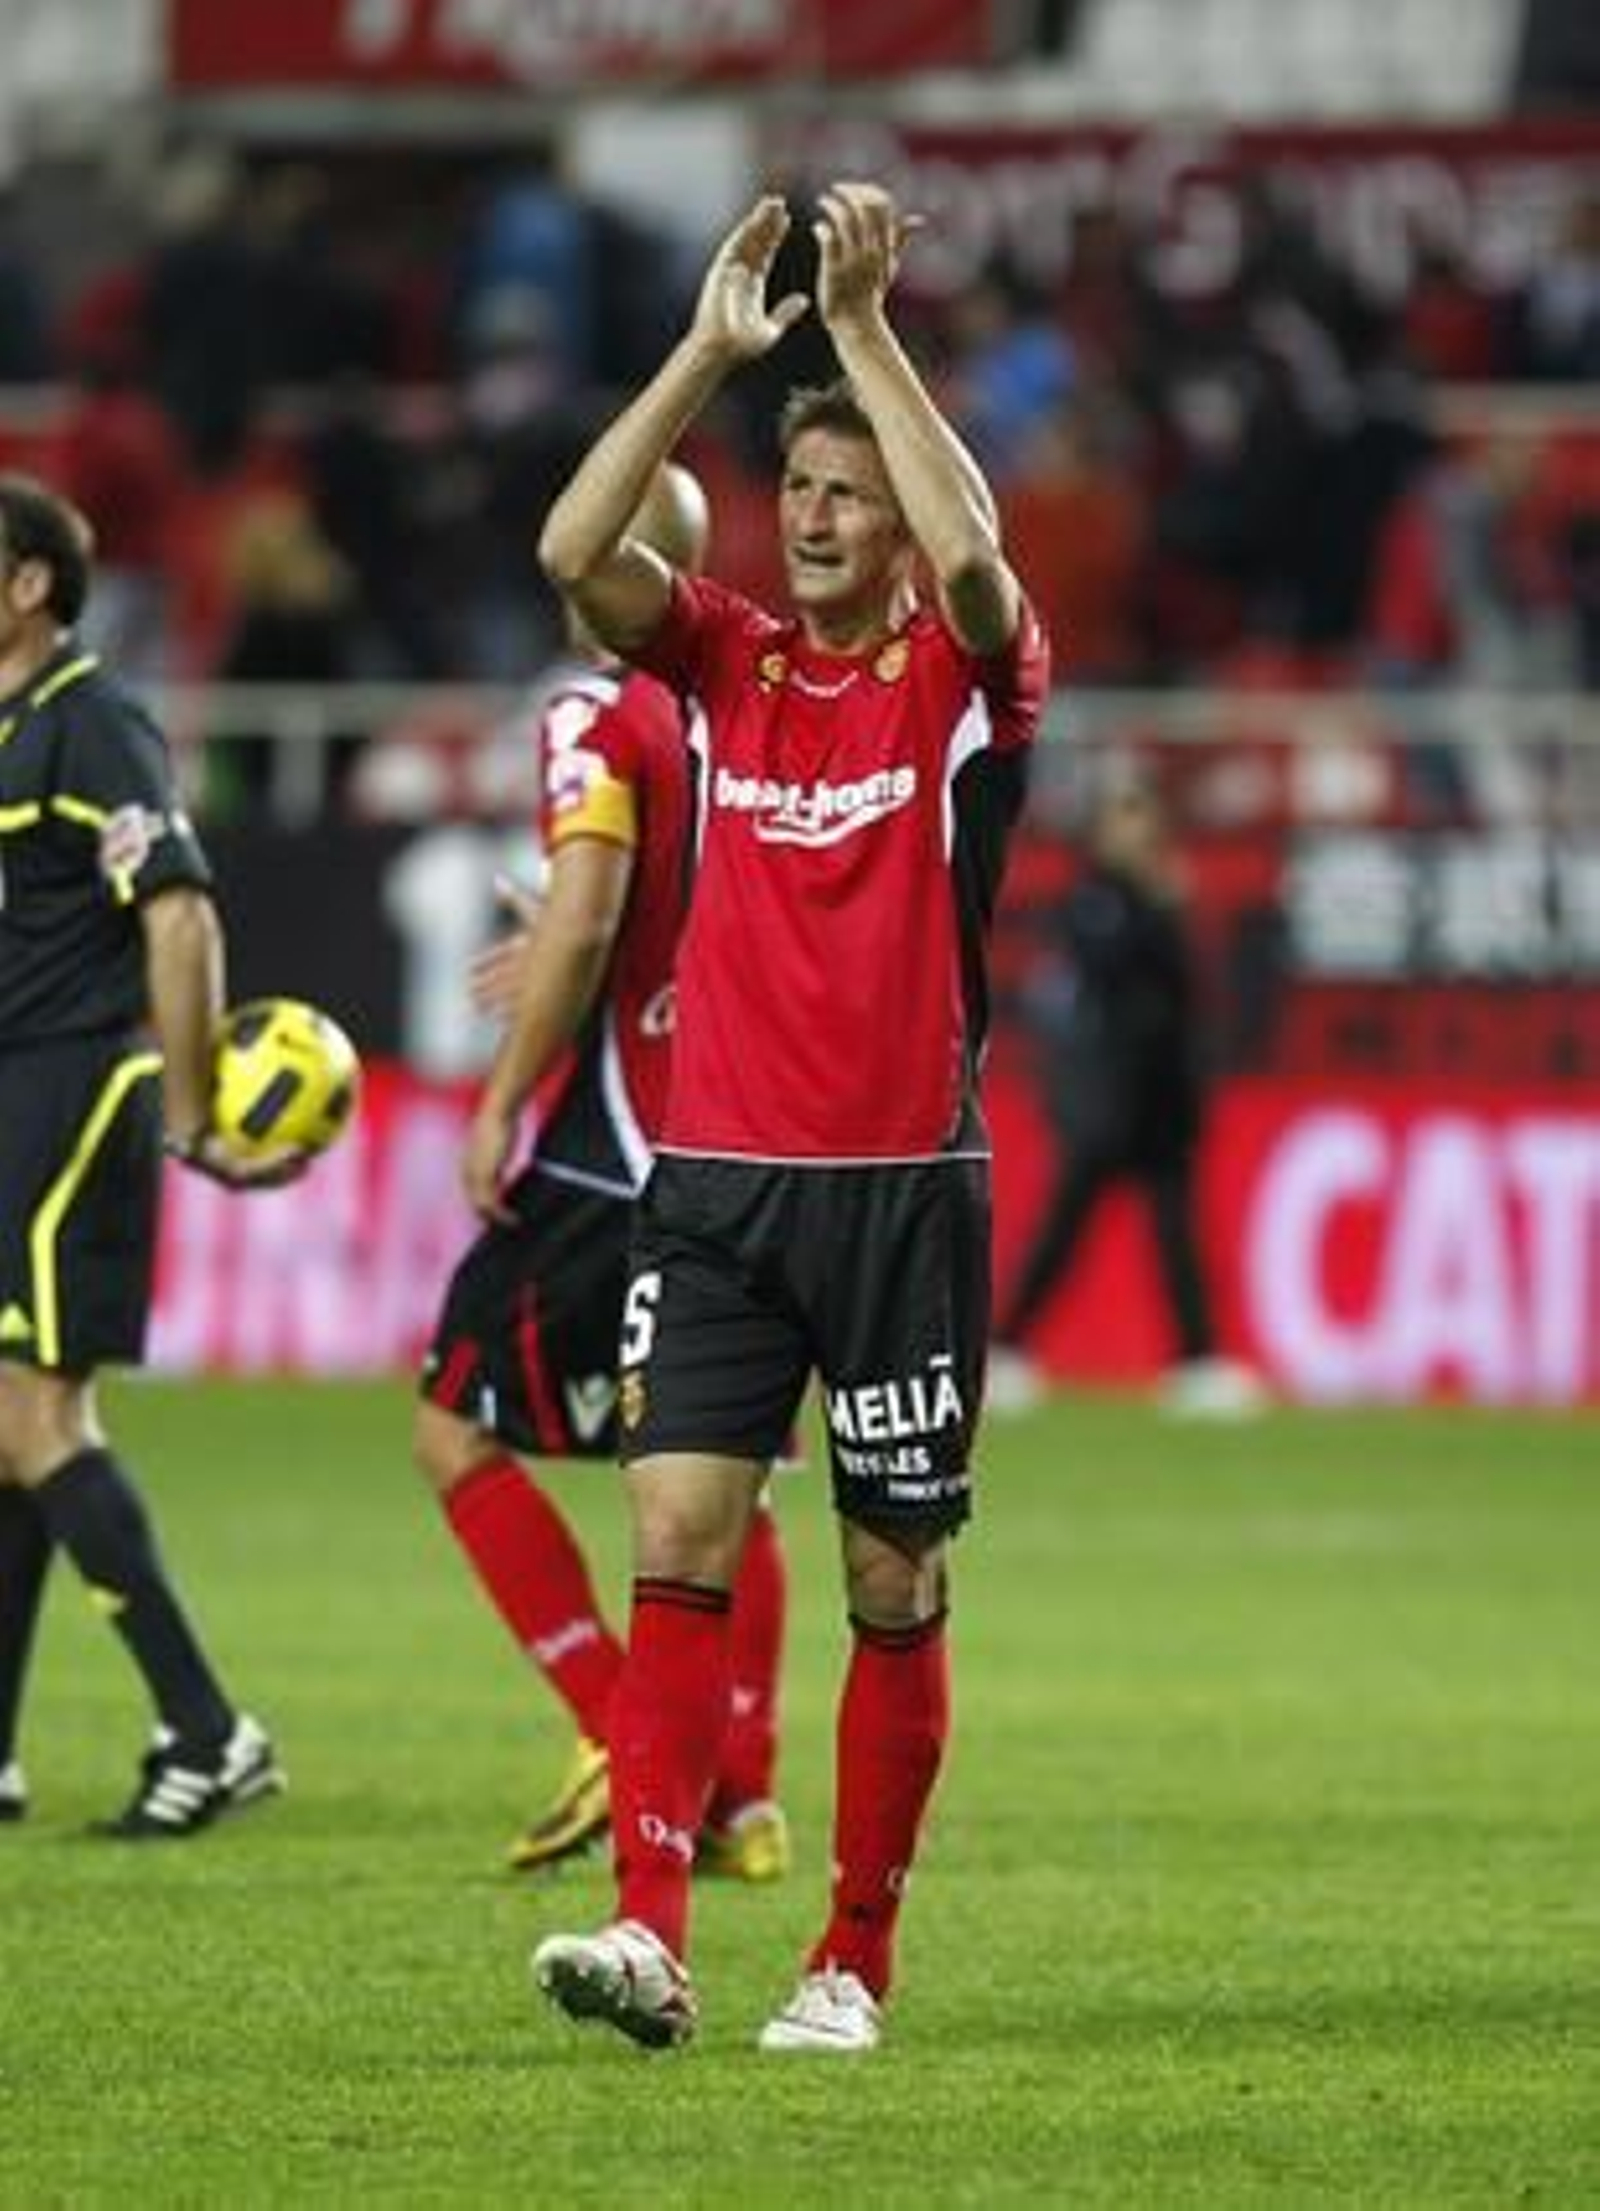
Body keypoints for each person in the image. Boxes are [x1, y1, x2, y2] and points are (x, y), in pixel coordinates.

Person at [529, 180, 1049, 2054]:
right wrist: (706, 354)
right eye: (803, 490)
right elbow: (572, 548)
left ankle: (851, 1960)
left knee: (891, 1577)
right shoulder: (723, 663)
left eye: (851, 494)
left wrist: (870, 333)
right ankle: (650, 1931)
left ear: (900, 519)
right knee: (676, 1533)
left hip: (901, 1193)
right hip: (715, 1188)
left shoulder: (962, 684)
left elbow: (984, 568)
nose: (818, 516)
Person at [414, 462, 789, 1881]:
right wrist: (602, 933)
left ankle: (615, 1722)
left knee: (452, 1426)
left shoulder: (593, 708)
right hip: (762, 1142)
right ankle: (745, 1799)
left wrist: (503, 1100)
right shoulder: (746, 699)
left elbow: (582, 921)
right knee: (732, 1474)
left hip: (623, 1154)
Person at [0, 471, 301, 1840]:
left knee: (39, 1417)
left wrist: (189, 1108)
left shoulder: (93, 722)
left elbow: (180, 915)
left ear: (30, 585)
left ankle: (208, 1729)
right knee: (8, 1424)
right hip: (23, 1084)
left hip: (74, 1083)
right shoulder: (16, 731)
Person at [988, 775, 1263, 1417]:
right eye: (1123, 818)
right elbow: (1109, 970)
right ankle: (1004, 1349)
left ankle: (1197, 1362)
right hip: (1105, 1100)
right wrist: (1158, 909)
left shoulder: (1161, 902)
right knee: (1062, 1232)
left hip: (1161, 1100)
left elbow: (1188, 991)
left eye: (1142, 818)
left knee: (1177, 1238)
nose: (1135, 832)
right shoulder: (1093, 901)